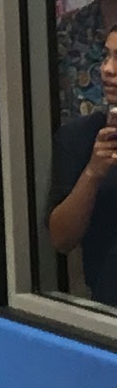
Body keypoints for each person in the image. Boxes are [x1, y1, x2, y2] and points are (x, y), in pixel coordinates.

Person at [48, 25, 117, 306]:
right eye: (106, 56)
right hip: (107, 310)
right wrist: (93, 172)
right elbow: (61, 239)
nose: (107, 69)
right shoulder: (78, 137)